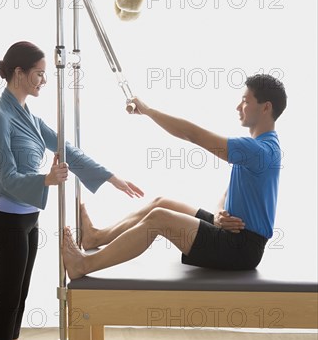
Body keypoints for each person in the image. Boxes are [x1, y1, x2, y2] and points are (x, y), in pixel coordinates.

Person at [0, 41, 143, 340]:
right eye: (39, 74)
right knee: (6, 296)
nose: (43, 80)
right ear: (19, 73)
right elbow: (6, 176)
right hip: (7, 220)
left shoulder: (27, 115)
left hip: (28, 218)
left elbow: (65, 149)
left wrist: (110, 176)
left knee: (20, 294)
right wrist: (45, 180)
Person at [62, 74, 287, 279]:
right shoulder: (263, 147)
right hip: (231, 230)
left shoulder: (257, 150)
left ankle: (84, 265)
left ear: (266, 107)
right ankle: (96, 237)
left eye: (246, 101)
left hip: (241, 248)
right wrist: (219, 215)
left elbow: (192, 135)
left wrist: (148, 111)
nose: (239, 107)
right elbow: (228, 193)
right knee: (162, 203)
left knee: (160, 218)